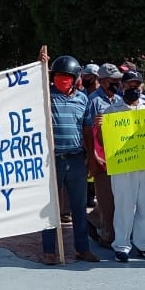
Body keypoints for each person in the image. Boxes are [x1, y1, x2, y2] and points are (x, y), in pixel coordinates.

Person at [40, 48, 100, 265]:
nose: (61, 81)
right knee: (49, 209)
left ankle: (82, 249)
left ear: (75, 80)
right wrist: (42, 66)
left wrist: (91, 159)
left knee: (79, 207)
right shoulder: (46, 96)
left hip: (76, 160)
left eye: (66, 78)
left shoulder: (83, 100)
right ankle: (49, 251)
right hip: (52, 161)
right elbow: (35, 84)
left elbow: (87, 131)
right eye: (57, 77)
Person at [104, 71, 145, 263]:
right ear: (122, 86)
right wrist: (100, 127)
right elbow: (103, 140)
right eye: (129, 85)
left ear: (142, 87)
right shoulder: (111, 111)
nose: (133, 89)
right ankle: (121, 245)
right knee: (123, 205)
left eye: (136, 85)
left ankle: (144, 244)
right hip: (123, 166)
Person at [83, 64, 122, 248]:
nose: (117, 83)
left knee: (116, 198)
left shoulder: (119, 99)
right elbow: (88, 131)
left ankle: (93, 219)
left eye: (118, 80)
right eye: (113, 81)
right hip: (102, 158)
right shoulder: (93, 101)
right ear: (103, 81)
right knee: (106, 199)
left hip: (119, 156)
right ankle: (107, 236)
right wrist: (93, 157)